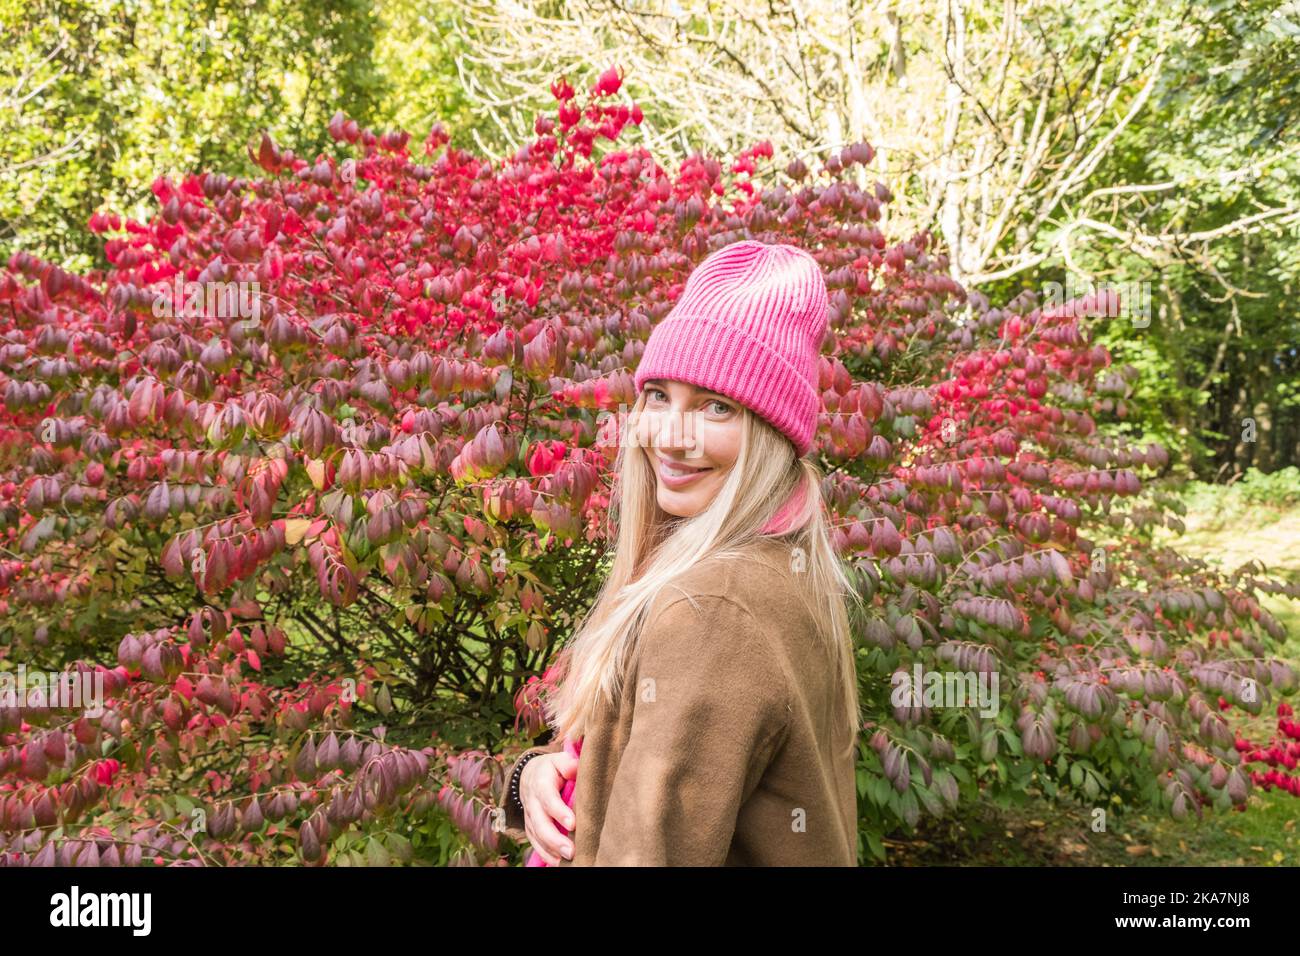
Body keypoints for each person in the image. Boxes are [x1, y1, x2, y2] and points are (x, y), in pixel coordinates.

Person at [497, 239, 863, 866]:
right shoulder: (774, 565)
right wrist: (535, 776)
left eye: (716, 406)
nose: (670, 434)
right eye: (660, 396)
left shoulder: (712, 607)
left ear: (772, 436)